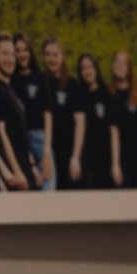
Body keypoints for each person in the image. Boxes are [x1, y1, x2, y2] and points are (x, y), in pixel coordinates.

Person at [0, 30, 35, 190]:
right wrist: (17, 172)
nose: (10, 59)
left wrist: (31, 165)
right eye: (5, 54)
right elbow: (1, 133)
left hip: (25, 165)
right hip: (16, 173)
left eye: (12, 54)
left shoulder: (9, 87)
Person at [65, 53, 117, 191]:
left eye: (90, 67)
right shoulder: (78, 94)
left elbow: (113, 130)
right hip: (86, 158)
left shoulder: (107, 94)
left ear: (96, 69)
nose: (87, 71)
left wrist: (115, 163)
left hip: (106, 156)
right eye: (83, 68)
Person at [8, 32, 52, 189]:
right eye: (17, 51)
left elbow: (48, 115)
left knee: (48, 190)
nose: (22, 54)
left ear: (30, 52)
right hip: (19, 143)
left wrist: (47, 152)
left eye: (25, 50)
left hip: (40, 140)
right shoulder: (11, 81)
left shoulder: (40, 78)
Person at [37, 36, 76, 191]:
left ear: (62, 56)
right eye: (48, 54)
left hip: (69, 151)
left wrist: (76, 156)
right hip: (47, 150)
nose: (51, 59)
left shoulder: (72, 84)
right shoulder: (39, 81)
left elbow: (80, 122)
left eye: (55, 54)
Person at [108, 49, 137, 189]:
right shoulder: (109, 94)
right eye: (116, 61)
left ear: (129, 68)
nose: (119, 65)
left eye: (123, 63)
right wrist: (115, 164)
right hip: (122, 160)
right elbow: (114, 131)